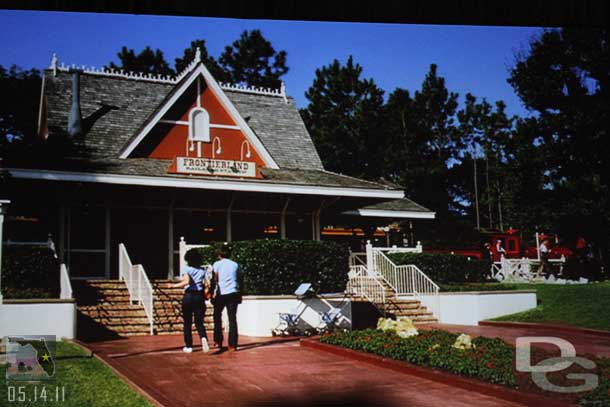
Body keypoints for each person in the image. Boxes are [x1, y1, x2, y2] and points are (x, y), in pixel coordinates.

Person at [172, 249, 211, 353]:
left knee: (187, 322)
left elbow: (186, 281)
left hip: (189, 296)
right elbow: (207, 284)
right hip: (199, 297)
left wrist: (173, 285)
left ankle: (189, 346)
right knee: (199, 322)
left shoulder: (187, 269)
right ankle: (203, 337)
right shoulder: (203, 271)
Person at [212, 246, 242, 352]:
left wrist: (211, 293)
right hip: (233, 292)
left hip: (222, 293)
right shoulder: (235, 264)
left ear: (220, 254)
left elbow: (215, 279)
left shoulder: (217, 264)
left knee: (216, 316)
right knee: (232, 319)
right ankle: (232, 345)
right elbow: (239, 278)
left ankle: (218, 340)